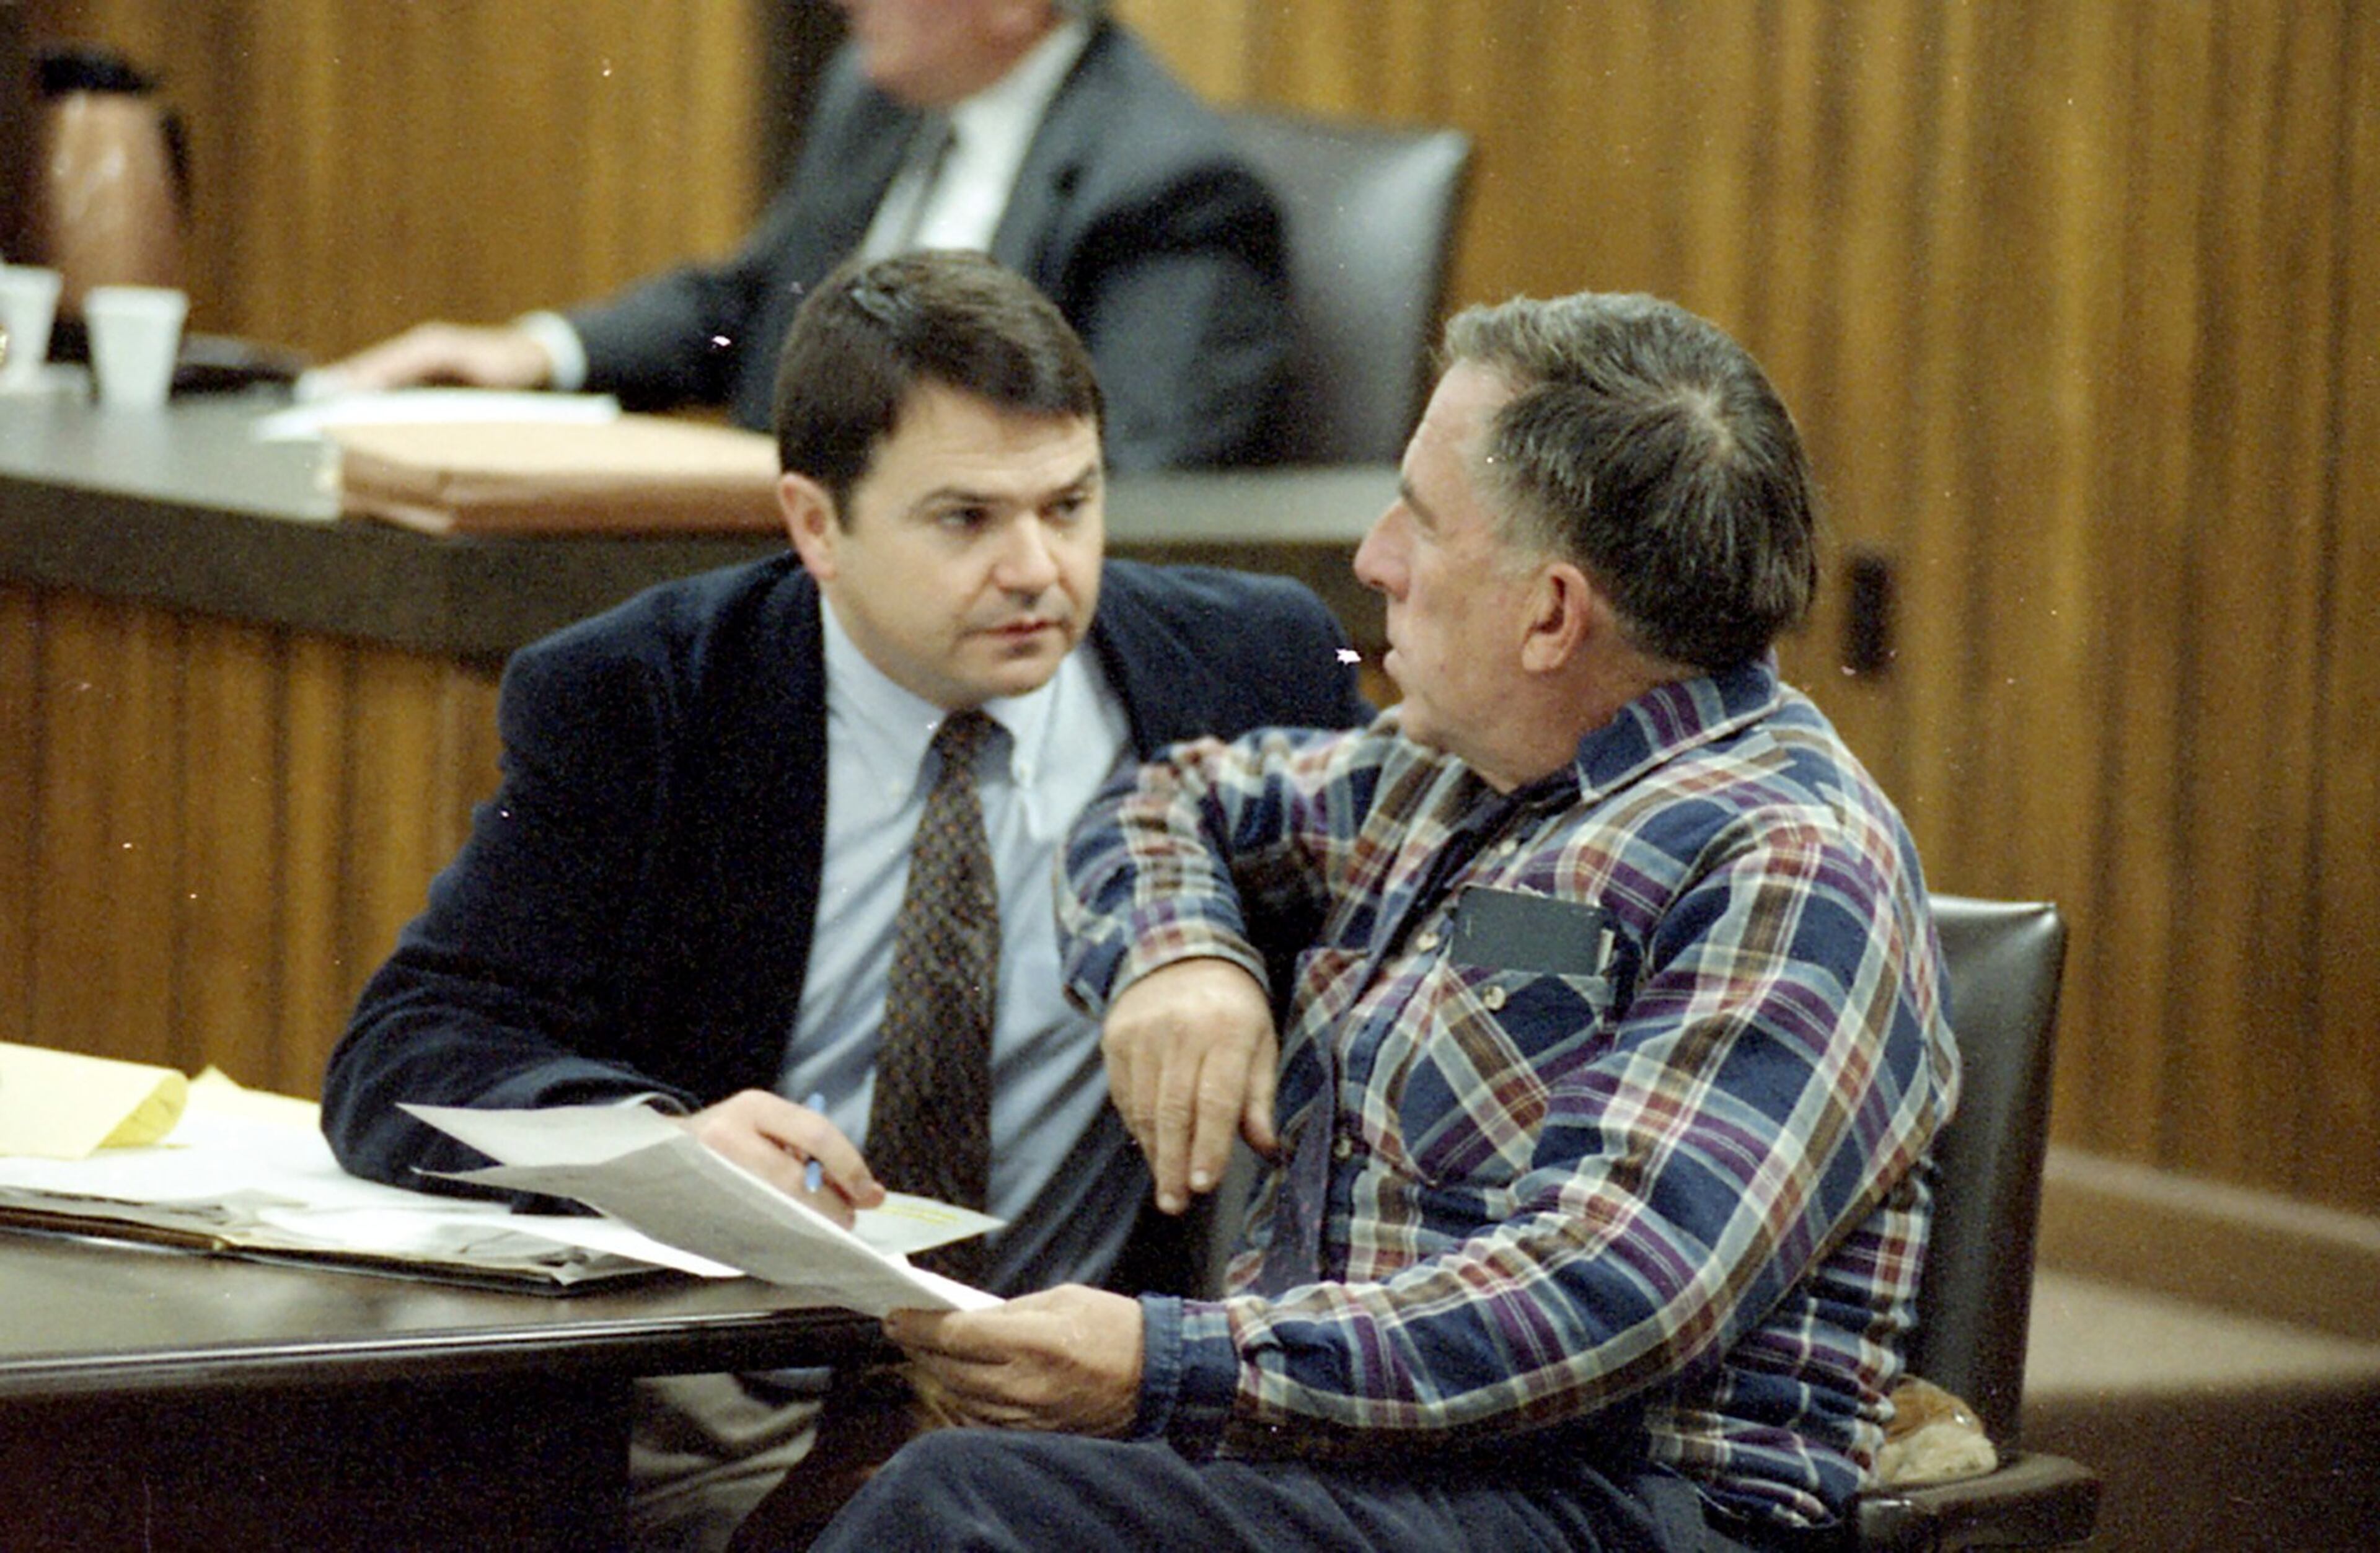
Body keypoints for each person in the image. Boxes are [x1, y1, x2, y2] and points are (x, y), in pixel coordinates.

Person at [789, 291, 1961, 1552]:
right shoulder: (1447, 769)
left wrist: (1169, 1362)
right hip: (1352, 1473)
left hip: (1613, 1504)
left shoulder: (1788, 859)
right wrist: (1179, 955)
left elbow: (1605, 1290)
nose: (1373, 557)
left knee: (963, 1507)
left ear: (1552, 613)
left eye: (1421, 518)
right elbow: (1156, 804)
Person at [319, 249, 1366, 1551]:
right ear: (817, 524)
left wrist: (1211, 959)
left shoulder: (1249, 665)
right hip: (740, 1407)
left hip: (1077, 1435)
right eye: (966, 520)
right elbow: (403, 1052)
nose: (1038, 568)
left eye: (1071, 503)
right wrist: (669, 1144)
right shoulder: (646, 695)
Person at [313, 0, 1290, 472]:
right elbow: (753, 304)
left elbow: (1138, 478)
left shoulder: (1172, 188)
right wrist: (533, 352)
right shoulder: (876, 100)